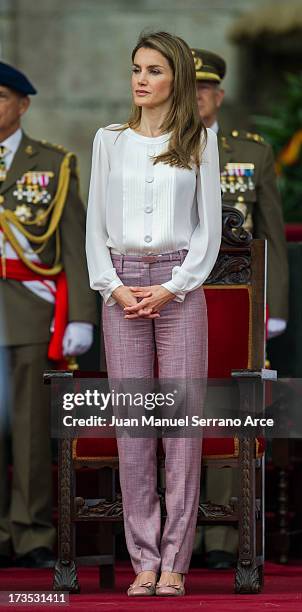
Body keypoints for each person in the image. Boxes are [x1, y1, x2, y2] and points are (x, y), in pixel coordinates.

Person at [86, 31, 222, 597]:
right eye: (136, 69)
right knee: (135, 429)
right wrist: (112, 286)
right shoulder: (109, 140)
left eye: (154, 70)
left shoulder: (200, 140)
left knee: (181, 428)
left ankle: (175, 563)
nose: (140, 79)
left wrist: (173, 287)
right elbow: (93, 223)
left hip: (179, 289)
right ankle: (143, 557)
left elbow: (208, 229)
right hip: (121, 288)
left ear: (177, 80)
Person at [192, 47, 289, 569]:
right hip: (173, 297)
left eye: (206, 88)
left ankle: (223, 540)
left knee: (229, 405)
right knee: (171, 405)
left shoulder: (252, 152)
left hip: (238, 304)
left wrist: (274, 305)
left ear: (220, 95)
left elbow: (271, 234)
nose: (198, 96)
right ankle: (172, 535)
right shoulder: (149, 149)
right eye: (190, 87)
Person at [0, 62, 97, 568]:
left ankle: (32, 531)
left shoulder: (53, 164)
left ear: (23, 104)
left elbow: (73, 247)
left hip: (28, 313)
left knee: (32, 432)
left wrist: (81, 316)